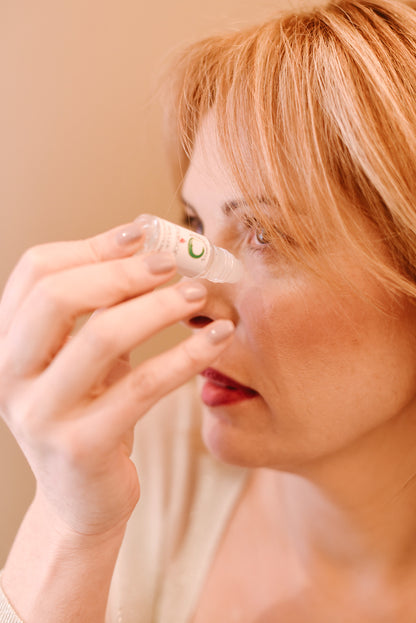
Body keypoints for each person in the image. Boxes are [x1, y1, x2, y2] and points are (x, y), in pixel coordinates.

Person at [2, 0, 416, 620]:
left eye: (268, 236)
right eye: (195, 224)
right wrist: (71, 522)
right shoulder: (156, 457)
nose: (191, 308)